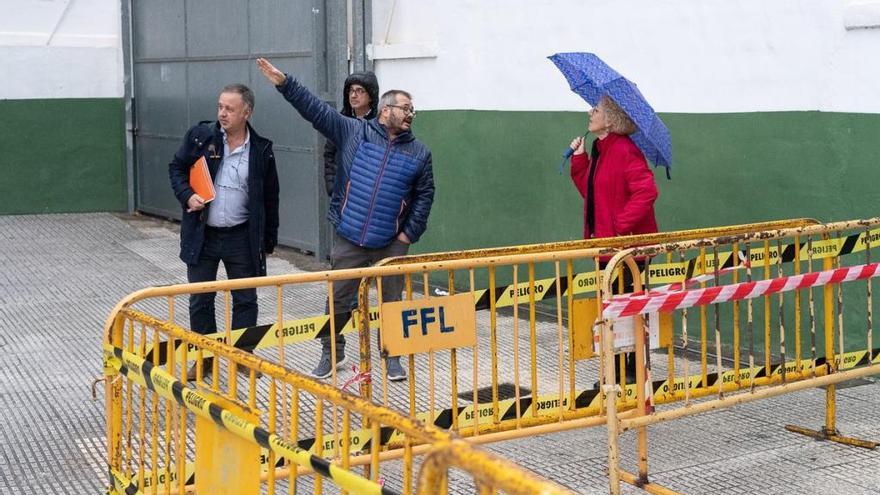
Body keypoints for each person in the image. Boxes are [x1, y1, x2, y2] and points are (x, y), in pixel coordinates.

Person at [256, 58, 434, 382]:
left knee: (391, 300)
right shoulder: (353, 131)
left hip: (391, 245)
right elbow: (315, 111)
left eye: (412, 110)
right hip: (350, 237)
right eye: (405, 108)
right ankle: (331, 352)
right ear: (386, 109)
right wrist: (286, 84)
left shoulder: (419, 153)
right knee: (337, 299)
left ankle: (391, 355)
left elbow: (425, 197)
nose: (411, 114)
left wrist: (406, 236)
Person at [168, 83, 280, 380]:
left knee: (245, 298)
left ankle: (243, 355)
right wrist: (187, 195)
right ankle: (205, 357)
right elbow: (176, 168)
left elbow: (271, 197)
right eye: (220, 107)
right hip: (203, 235)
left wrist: (268, 240)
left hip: (241, 236)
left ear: (247, 112)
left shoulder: (261, 150)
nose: (222, 114)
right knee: (200, 298)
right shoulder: (201, 138)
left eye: (230, 109)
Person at [569, 95, 659, 385]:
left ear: (610, 119)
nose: (590, 112)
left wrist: (619, 225)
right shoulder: (602, 150)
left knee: (623, 311)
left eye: (596, 109)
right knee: (614, 308)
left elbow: (647, 192)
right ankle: (621, 372)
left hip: (627, 250)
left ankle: (626, 373)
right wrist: (580, 159)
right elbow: (593, 195)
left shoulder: (624, 150)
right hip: (610, 248)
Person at [323, 72, 380, 196]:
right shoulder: (339, 122)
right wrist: (332, 187)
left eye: (359, 91)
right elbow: (329, 155)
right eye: (351, 91)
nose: (354, 95)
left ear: (371, 96)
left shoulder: (381, 124)